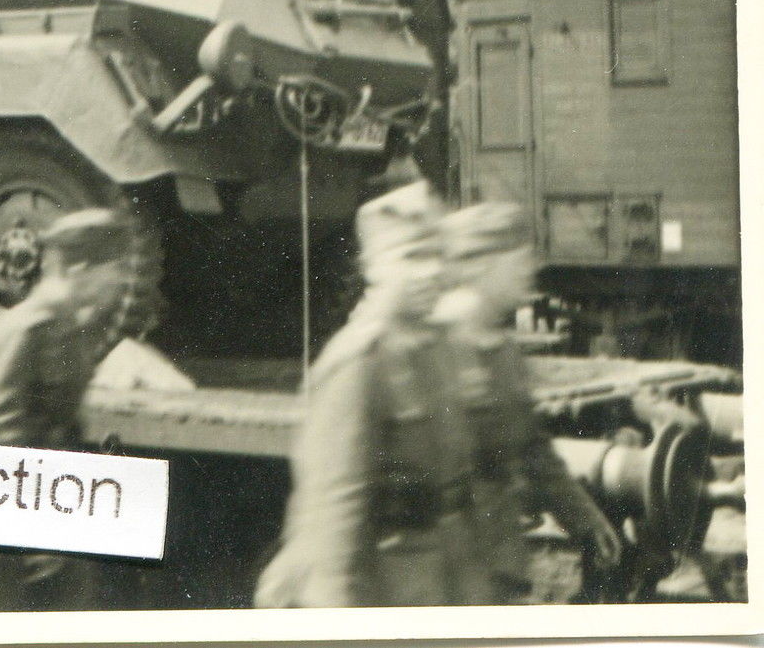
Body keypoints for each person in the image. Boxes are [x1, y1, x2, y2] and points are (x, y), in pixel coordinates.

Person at [256, 180, 491, 608]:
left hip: (452, 578)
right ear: (375, 269)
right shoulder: (359, 364)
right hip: (389, 588)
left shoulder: (441, 348)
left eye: (436, 255)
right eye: (411, 257)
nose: (430, 271)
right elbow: (334, 520)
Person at [434, 202, 623, 602]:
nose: (530, 269)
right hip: (442, 571)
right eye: (518, 258)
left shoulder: (504, 351)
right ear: (481, 263)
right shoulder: (431, 346)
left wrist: (587, 519)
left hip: (497, 563)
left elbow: (533, 449)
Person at [0, 208, 136, 611]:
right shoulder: (32, 327)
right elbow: (1, 431)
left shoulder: (65, 324)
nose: (121, 282)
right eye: (113, 270)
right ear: (80, 269)